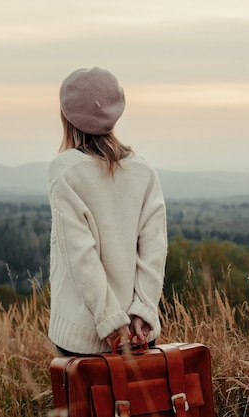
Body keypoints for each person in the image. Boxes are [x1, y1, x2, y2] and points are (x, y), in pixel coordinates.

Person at [47, 67, 168, 355]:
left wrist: (113, 323)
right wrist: (142, 313)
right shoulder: (144, 170)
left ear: (66, 115)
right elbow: (154, 249)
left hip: (85, 336)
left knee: (83, 402)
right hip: (140, 334)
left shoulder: (65, 171)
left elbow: (81, 256)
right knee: (145, 402)